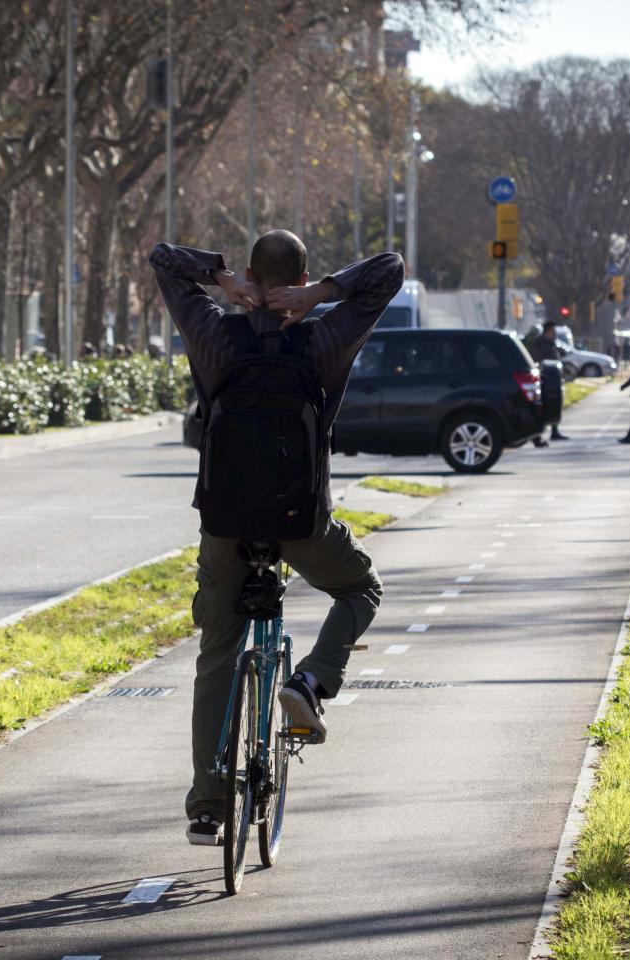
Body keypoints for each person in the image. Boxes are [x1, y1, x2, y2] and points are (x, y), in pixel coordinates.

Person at [150, 230, 403, 847]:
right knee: (361, 589)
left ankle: (207, 807)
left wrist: (219, 279)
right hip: (301, 524)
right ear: (298, 279)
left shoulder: (213, 332)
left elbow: (163, 259)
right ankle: (311, 682)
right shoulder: (322, 339)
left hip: (226, 525)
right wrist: (325, 293)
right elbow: (389, 269)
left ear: (251, 278)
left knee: (217, 653)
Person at [528, 321, 569, 440]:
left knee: (552, 405)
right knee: (545, 408)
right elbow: (543, 365)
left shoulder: (550, 344)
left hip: (552, 381)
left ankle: (554, 432)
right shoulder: (544, 346)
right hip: (546, 383)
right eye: (553, 332)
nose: (555, 334)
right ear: (547, 332)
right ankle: (538, 435)